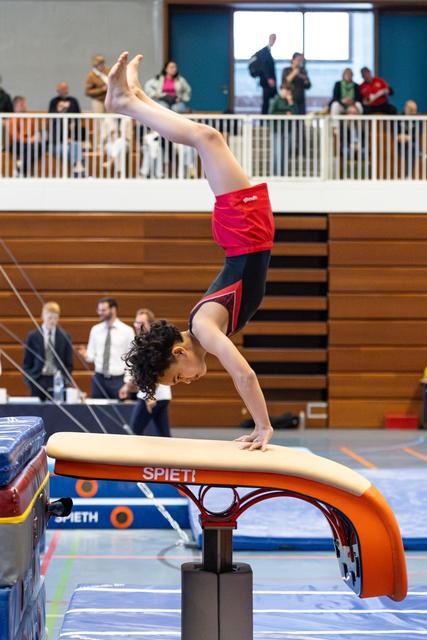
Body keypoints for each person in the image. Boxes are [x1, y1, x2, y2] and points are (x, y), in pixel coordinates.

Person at [105, 51, 275, 451]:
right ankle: (132, 99)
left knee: (207, 137)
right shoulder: (202, 328)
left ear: (179, 352)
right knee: (206, 137)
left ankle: (126, 102)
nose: (188, 381)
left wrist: (263, 426)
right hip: (246, 234)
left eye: (178, 377)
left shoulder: (203, 329)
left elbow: (245, 376)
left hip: (245, 233)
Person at [120, 308, 172, 437]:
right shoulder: (143, 342)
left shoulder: (154, 345)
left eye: (141, 323)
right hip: (160, 397)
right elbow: (140, 370)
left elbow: (157, 371)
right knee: (164, 434)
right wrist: (127, 386)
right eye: (136, 322)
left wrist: (150, 396)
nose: (138, 326)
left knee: (134, 433)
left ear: (150, 324)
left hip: (151, 397)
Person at [78, 297, 134, 399]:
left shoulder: (127, 331)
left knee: (119, 413)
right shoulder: (95, 330)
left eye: (103, 310)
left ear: (113, 310)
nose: (99, 313)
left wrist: (127, 381)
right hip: (99, 379)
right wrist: (86, 355)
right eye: (99, 310)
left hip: (118, 380)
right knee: (98, 411)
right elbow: (92, 355)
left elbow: (131, 359)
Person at [23, 302, 73, 401]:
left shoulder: (64, 336)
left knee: (57, 411)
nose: (52, 321)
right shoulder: (33, 336)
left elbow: (69, 362)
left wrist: (65, 379)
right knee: (37, 410)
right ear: (43, 316)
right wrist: (30, 380)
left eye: (55, 318)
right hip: (39, 378)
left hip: (57, 379)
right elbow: (27, 362)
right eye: (49, 317)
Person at [48, 82, 85, 177]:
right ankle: (79, 171)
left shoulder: (73, 101)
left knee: (76, 144)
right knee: (69, 148)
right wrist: (59, 109)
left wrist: (70, 137)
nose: (64, 90)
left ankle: (78, 169)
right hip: (57, 142)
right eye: (61, 89)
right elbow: (51, 119)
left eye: (65, 88)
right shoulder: (54, 102)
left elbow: (78, 118)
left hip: (72, 138)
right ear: (58, 90)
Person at [268, 84, 297, 176]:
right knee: (277, 153)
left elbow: (296, 113)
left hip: (287, 130)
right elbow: (271, 113)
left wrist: (290, 102)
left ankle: (283, 174)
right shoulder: (275, 100)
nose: (286, 93)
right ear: (281, 90)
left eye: (288, 91)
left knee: (285, 154)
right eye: (285, 90)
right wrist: (284, 113)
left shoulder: (290, 101)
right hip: (277, 130)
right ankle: (275, 174)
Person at [8, 96, 40, 177]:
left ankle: (19, 169)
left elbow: (35, 132)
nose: (25, 106)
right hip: (16, 144)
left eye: (24, 104)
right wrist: (29, 140)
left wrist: (36, 137)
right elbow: (15, 137)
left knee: (39, 146)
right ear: (16, 106)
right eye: (22, 104)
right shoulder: (12, 119)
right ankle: (22, 171)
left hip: (29, 143)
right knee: (31, 147)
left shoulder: (29, 118)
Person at [397, 100, 419, 178]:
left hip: (412, 144)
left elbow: (417, 135)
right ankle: (404, 175)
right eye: (411, 109)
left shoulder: (417, 120)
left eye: (414, 110)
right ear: (405, 108)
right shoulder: (398, 118)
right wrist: (399, 136)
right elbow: (396, 133)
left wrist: (408, 137)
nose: (413, 112)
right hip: (399, 143)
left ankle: (407, 175)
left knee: (412, 147)